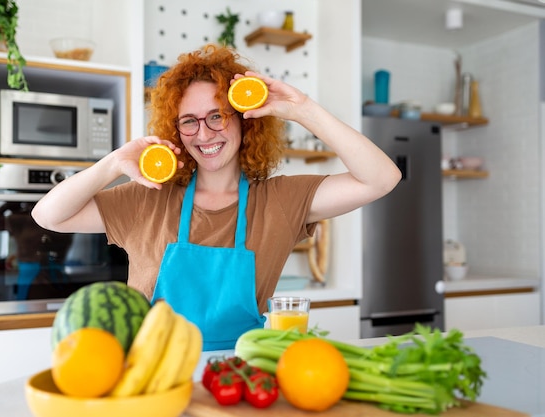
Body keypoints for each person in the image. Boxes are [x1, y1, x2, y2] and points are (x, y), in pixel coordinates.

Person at [31, 44, 401, 350]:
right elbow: (49, 216)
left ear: (244, 119)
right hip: (152, 376)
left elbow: (381, 179)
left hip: (241, 380)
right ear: (176, 129)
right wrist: (111, 164)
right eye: (189, 120)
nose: (204, 134)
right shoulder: (148, 198)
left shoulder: (281, 200)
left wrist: (303, 109)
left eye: (218, 116)